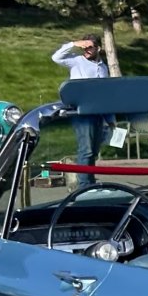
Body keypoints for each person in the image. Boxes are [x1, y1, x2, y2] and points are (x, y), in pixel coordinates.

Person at [51, 34, 110, 187]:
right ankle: (84, 185)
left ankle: (89, 181)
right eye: (85, 47)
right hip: (81, 112)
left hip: (98, 112)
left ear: (98, 48)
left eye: (90, 47)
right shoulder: (77, 61)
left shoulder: (103, 67)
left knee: (94, 150)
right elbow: (56, 58)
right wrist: (74, 44)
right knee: (86, 149)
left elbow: (106, 92)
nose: (87, 50)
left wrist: (110, 118)